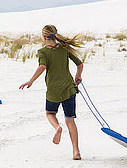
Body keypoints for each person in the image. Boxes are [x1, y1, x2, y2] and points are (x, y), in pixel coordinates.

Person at [19, 24, 84, 160]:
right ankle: (76, 151)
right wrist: (78, 76)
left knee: (50, 113)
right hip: (69, 88)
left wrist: (30, 81)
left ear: (44, 37)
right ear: (55, 34)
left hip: (53, 91)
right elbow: (80, 64)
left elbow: (42, 66)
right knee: (70, 120)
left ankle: (57, 128)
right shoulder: (64, 49)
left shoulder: (43, 52)